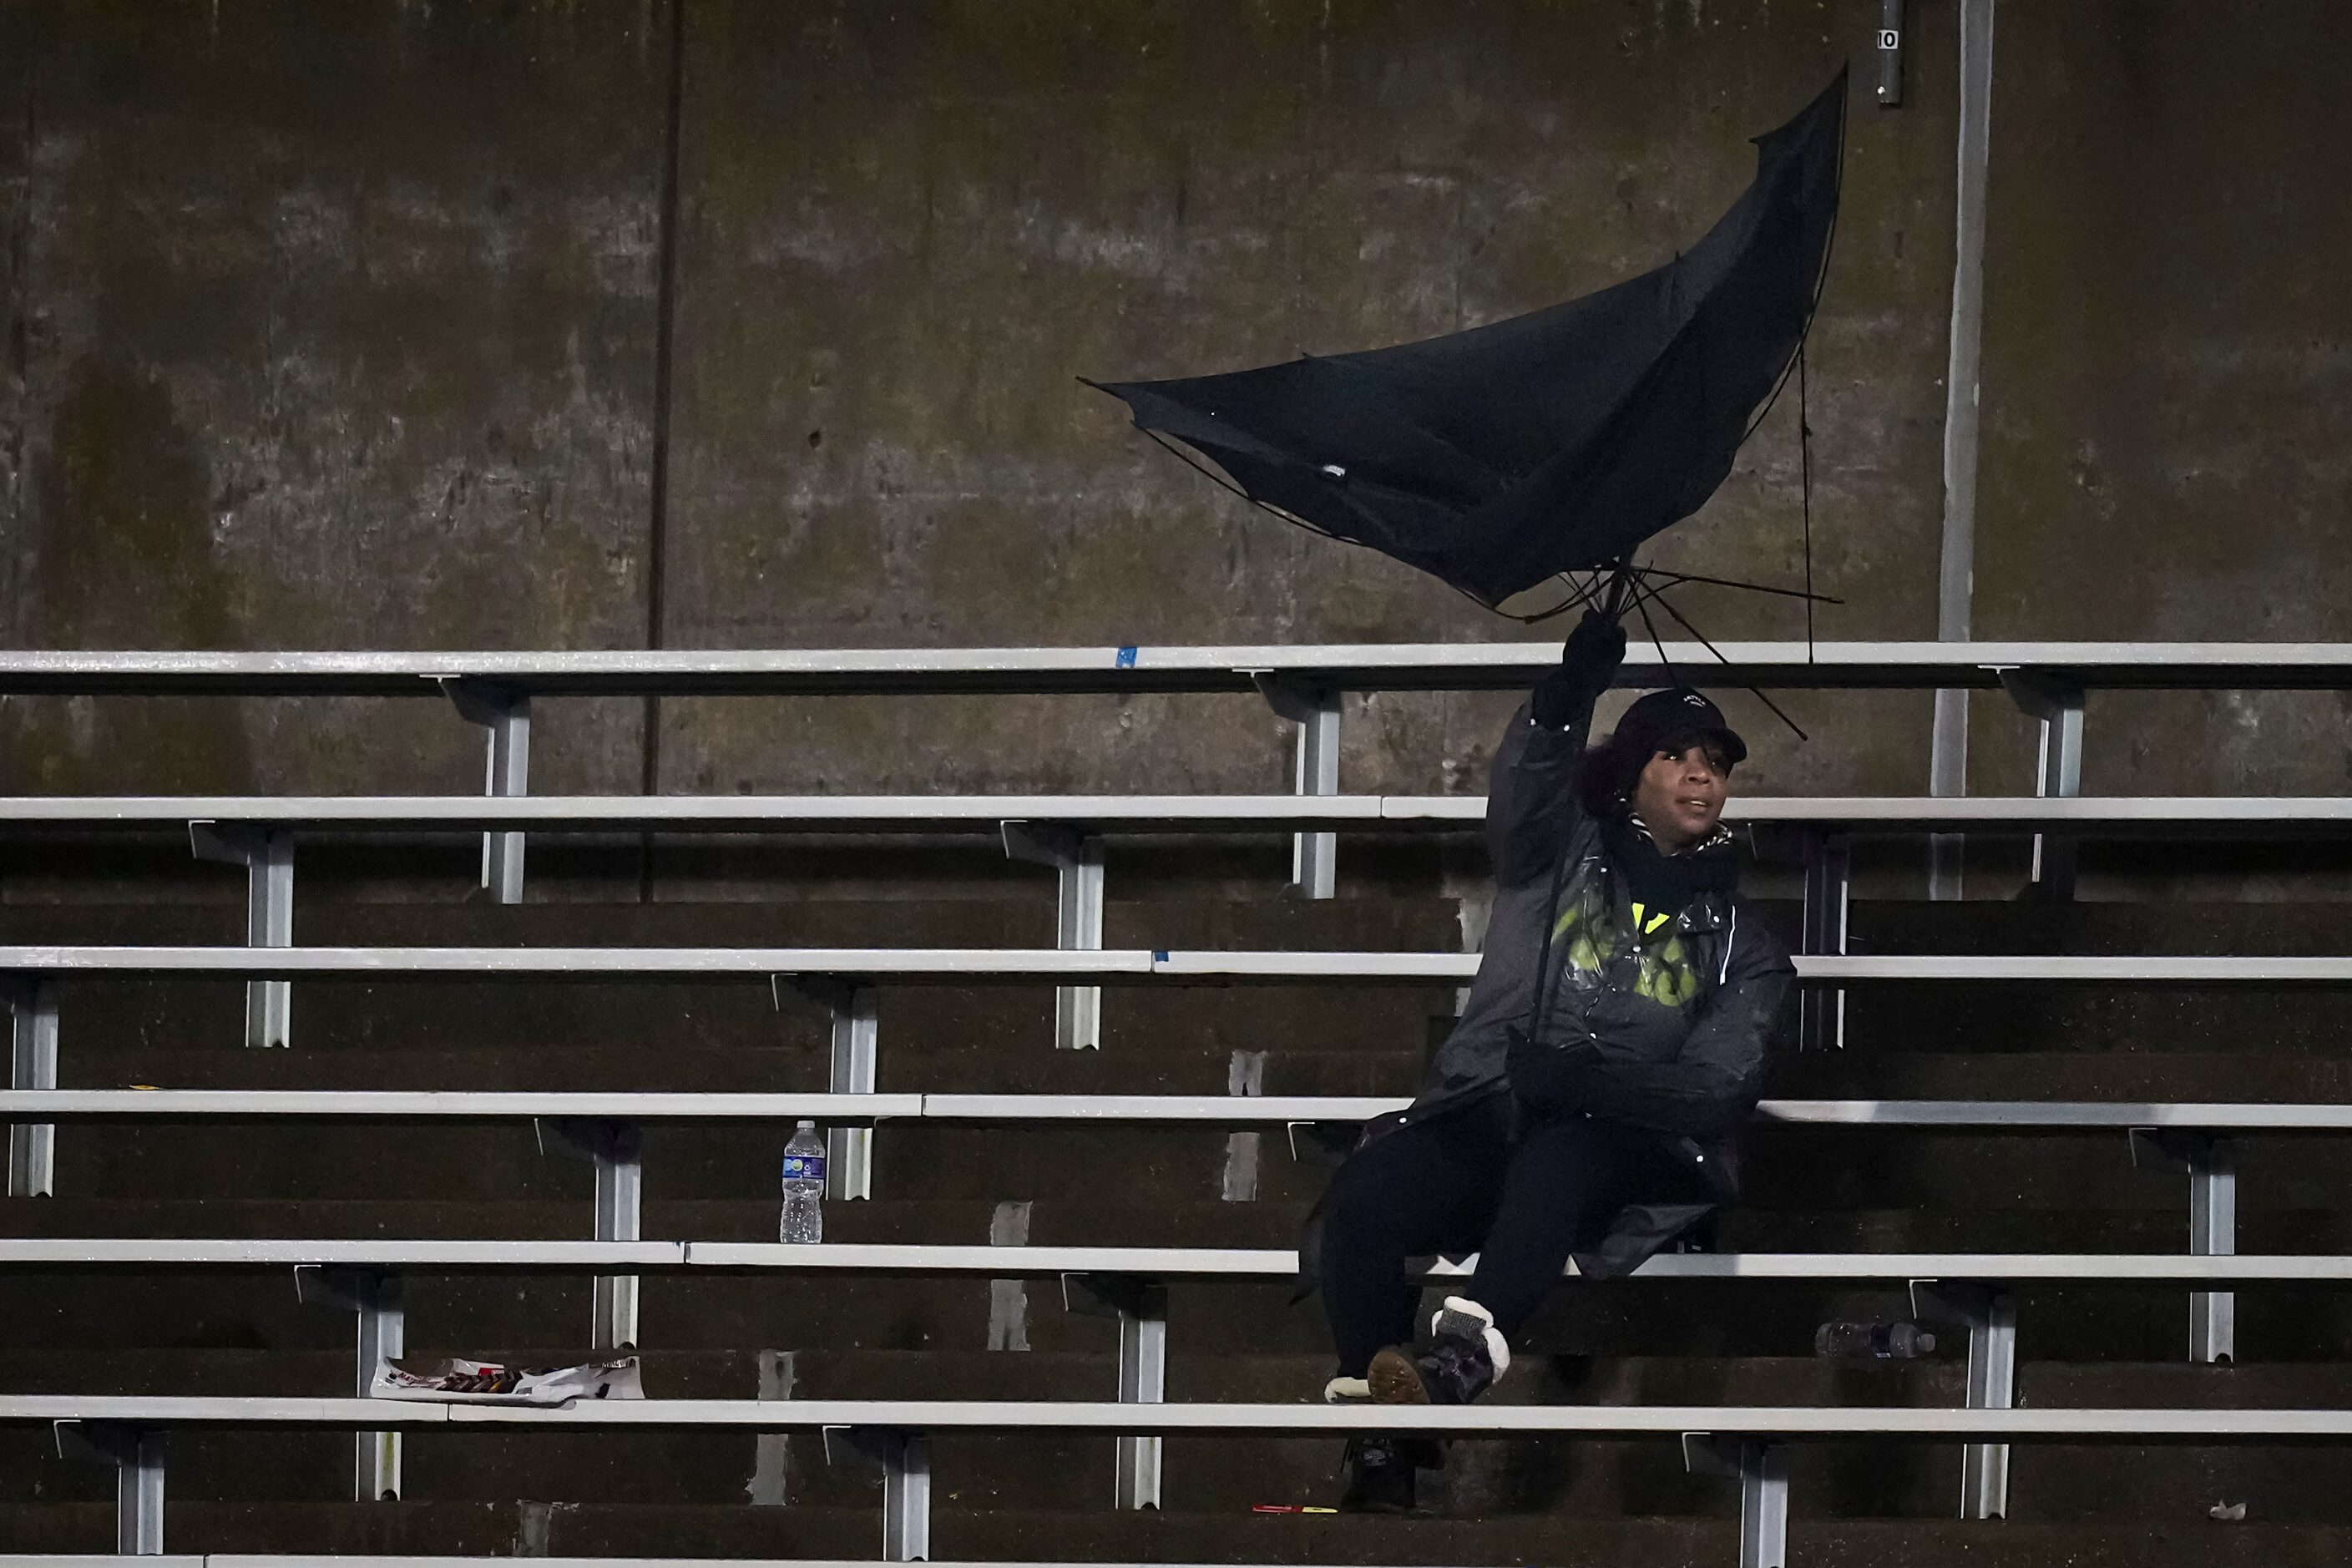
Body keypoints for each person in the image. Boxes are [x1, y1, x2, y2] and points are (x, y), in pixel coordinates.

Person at [1305, 609, 1794, 1514]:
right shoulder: (1550, 858)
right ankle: (1381, 1434)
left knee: (1566, 1153)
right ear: (1631, 773)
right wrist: (1566, 697)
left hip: (1629, 1148)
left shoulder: (1745, 944)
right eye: (1676, 755)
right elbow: (1529, 785)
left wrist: (1592, 1084)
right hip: (1494, 1112)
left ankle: (1455, 1368)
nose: (1701, 774)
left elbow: (1719, 1089)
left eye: (1716, 764)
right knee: (1367, 1196)